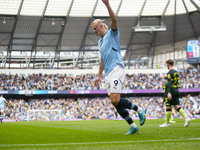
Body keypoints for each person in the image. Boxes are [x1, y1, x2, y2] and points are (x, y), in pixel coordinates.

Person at [92, 0, 146, 135]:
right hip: (108, 74)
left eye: (95, 28)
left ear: (101, 25)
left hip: (117, 69)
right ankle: (133, 126)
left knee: (115, 99)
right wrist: (99, 75)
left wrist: (107, 5)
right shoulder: (100, 42)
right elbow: (102, 60)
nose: (94, 31)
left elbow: (114, 20)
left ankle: (139, 110)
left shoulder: (112, 33)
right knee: (114, 102)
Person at [160, 59, 191, 127]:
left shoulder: (169, 72)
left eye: (166, 64)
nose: (166, 66)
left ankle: (167, 123)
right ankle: (186, 118)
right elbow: (174, 80)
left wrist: (169, 92)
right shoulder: (176, 72)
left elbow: (170, 83)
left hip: (172, 90)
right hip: (176, 90)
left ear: (168, 64)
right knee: (177, 106)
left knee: (168, 106)